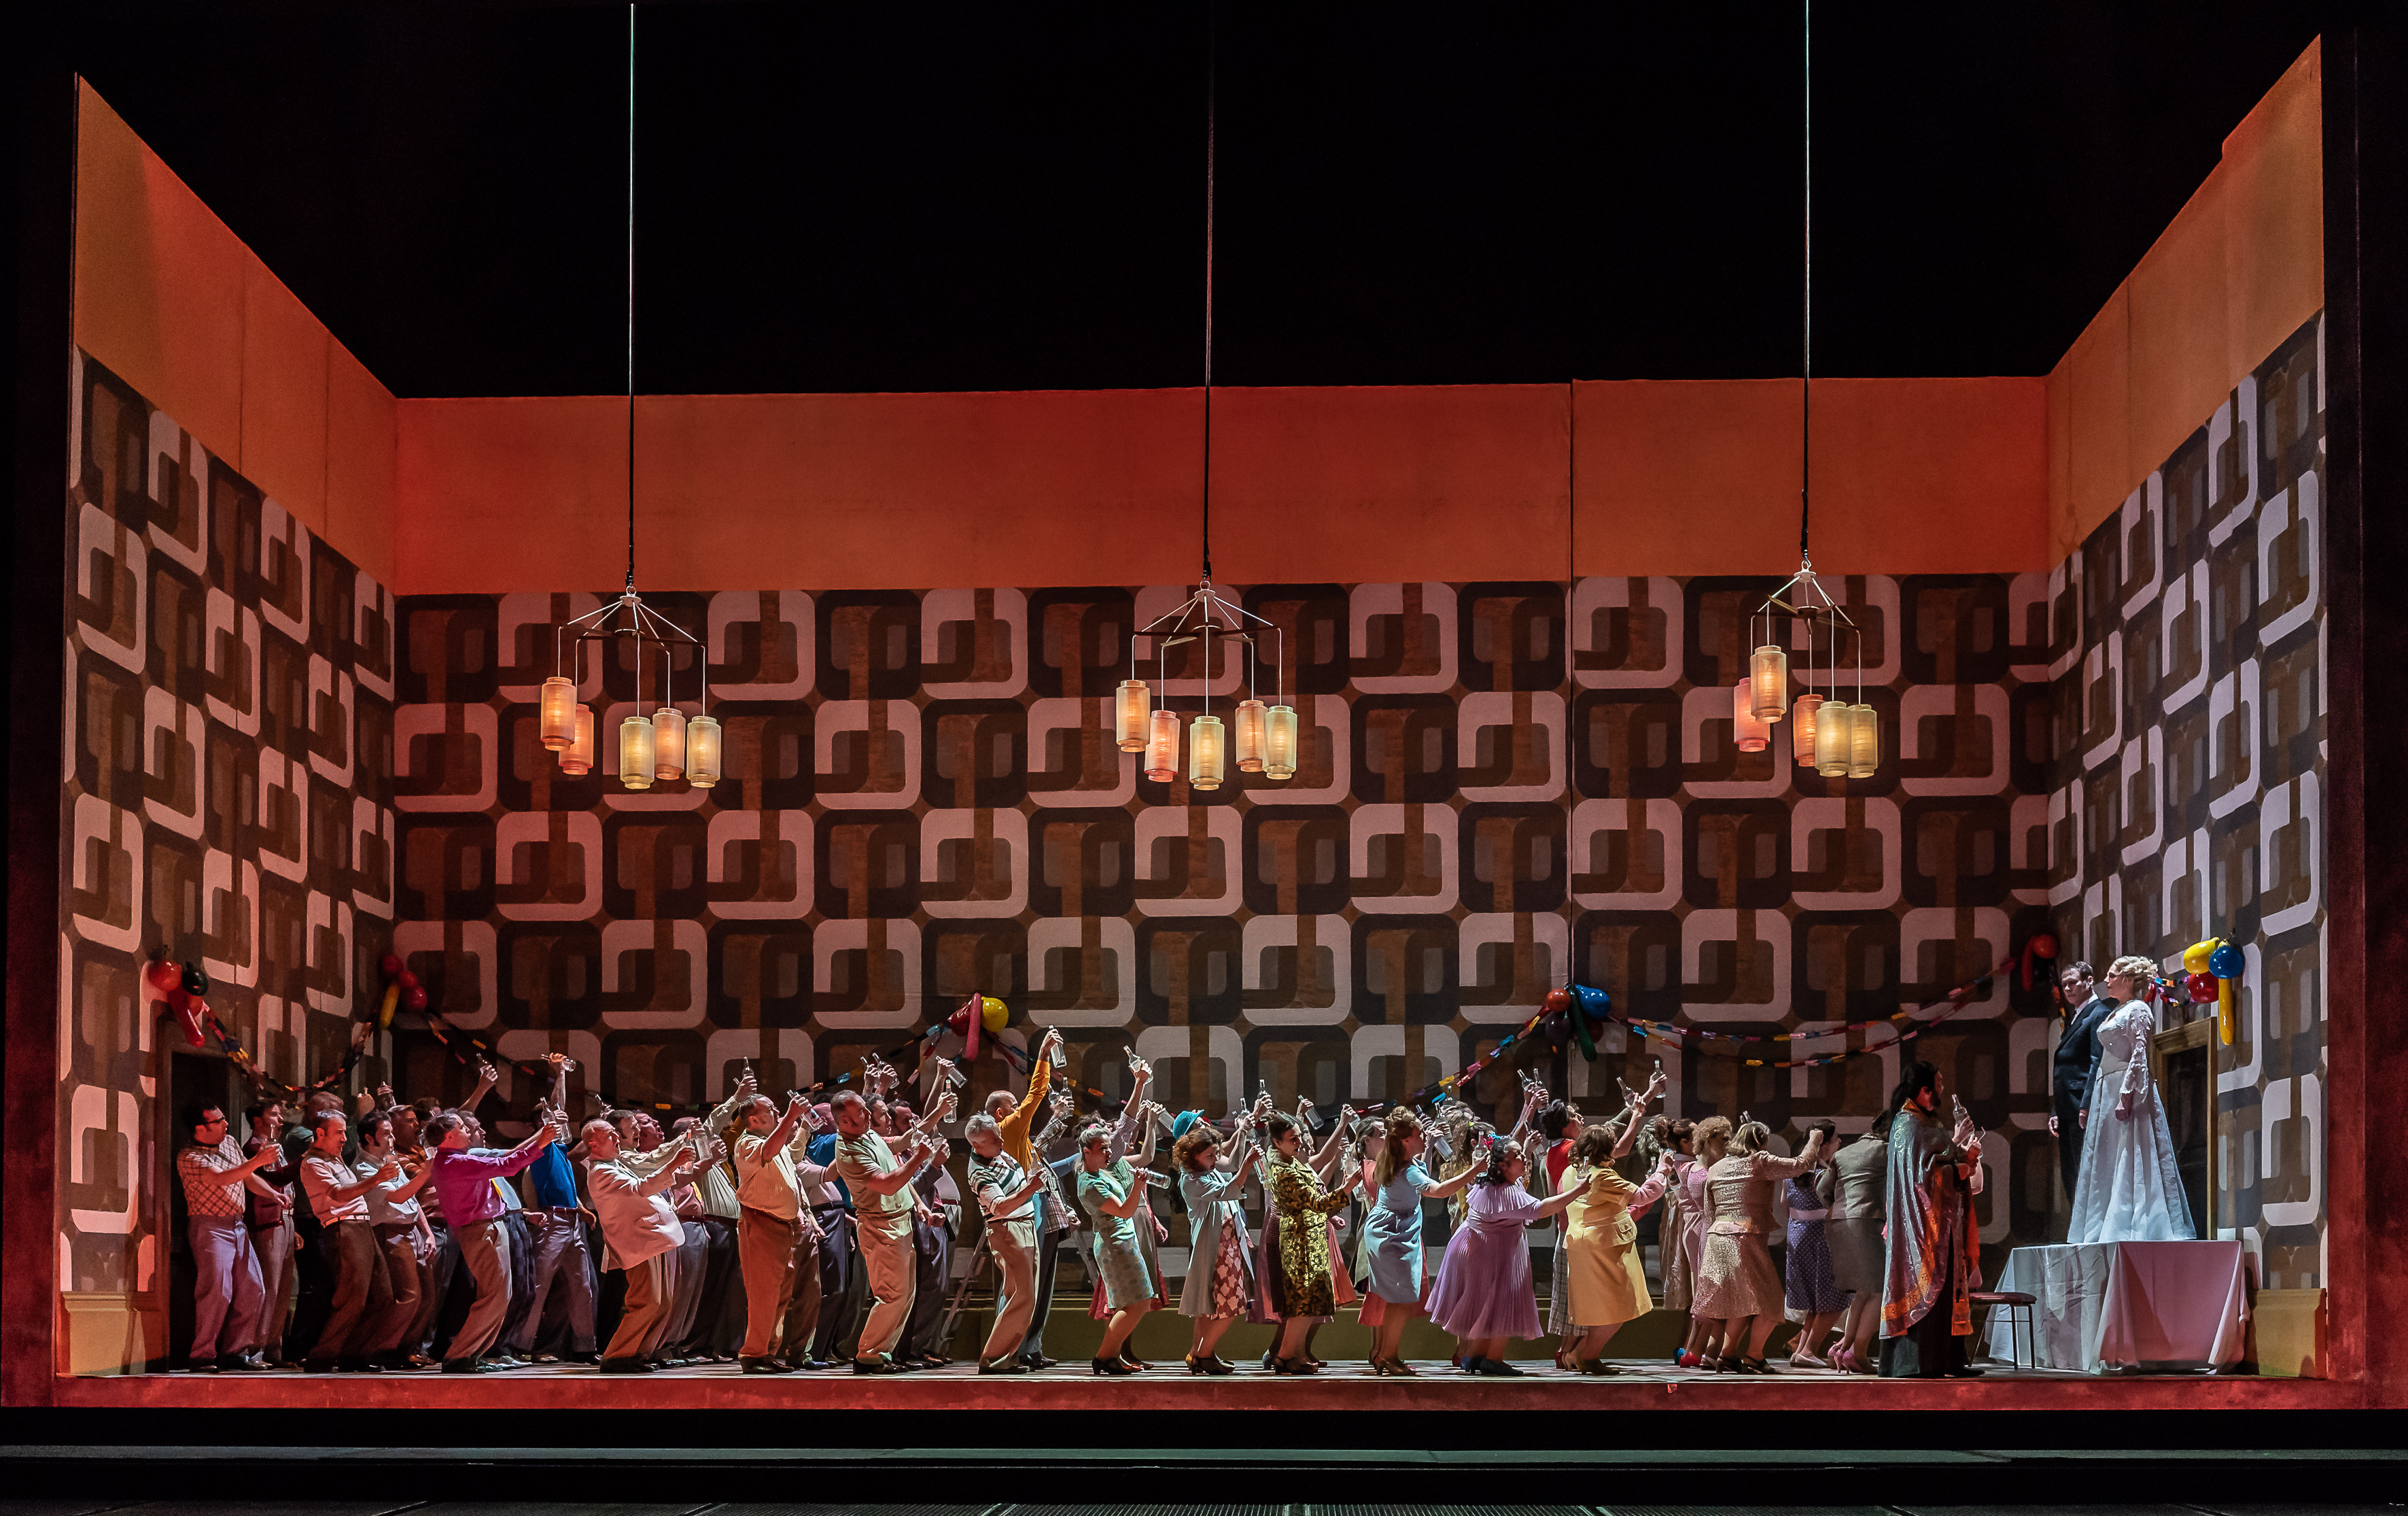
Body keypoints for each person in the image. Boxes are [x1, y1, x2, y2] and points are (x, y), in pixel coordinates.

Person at [1423, 1133, 1580, 1375]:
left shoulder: (1496, 1181)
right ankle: (1492, 1358)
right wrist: (1578, 1191)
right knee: (1503, 1302)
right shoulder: (1503, 1191)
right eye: (1516, 1155)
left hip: (1482, 1247)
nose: (1522, 1158)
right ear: (1502, 1166)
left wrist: (1525, 1148)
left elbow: (1522, 1189)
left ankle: (1475, 1356)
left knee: (1491, 1304)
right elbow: (1540, 1209)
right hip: (1487, 1251)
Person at [2066, 957, 2195, 1245]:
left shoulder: (2138, 1009)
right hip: (2106, 1085)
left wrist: (2127, 1094)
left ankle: (2134, 1222)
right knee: (2108, 1153)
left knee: (2132, 1149)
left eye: (2112, 976)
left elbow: (2139, 1055)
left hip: (2125, 1085)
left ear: (2127, 980)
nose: (2107, 981)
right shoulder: (2117, 1010)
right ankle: (2104, 1222)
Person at [423, 1107, 561, 1373]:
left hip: (487, 1227)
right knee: (495, 1296)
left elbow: (506, 1161)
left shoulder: (456, 1160)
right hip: (481, 1230)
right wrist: (540, 1142)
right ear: (450, 1137)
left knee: (500, 1295)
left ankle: (474, 1353)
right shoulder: (456, 1163)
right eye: (463, 1128)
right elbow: (506, 1166)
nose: (467, 1131)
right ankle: (460, 1355)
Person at [828, 1087, 953, 1373]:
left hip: (899, 1223)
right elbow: (886, 1183)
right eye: (861, 1112)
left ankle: (881, 1353)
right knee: (891, 1295)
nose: (869, 1115)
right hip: (880, 1227)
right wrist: (919, 1158)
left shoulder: (868, 1135)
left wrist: (918, 1207)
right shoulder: (848, 1151)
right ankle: (868, 1355)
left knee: (904, 1295)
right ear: (844, 1121)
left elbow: (898, 1145)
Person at [1689, 1118, 1825, 1375]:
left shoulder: (1717, 1168)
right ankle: (1754, 1356)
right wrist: (1814, 1140)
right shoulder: (1759, 1161)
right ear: (1761, 1142)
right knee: (1771, 1302)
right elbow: (1801, 1165)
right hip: (1745, 1239)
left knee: (1739, 1302)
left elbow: (1710, 1213)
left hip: (1718, 1239)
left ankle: (1728, 1355)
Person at [1879, 1059, 1983, 1379]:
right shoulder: (1908, 1124)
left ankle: (1949, 1360)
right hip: (1921, 1228)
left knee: (1950, 1287)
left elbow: (1941, 1159)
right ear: (1924, 1091)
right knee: (1928, 1288)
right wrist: (1960, 1170)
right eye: (1937, 1085)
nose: (1942, 1090)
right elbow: (1922, 1179)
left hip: (1944, 1223)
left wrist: (1964, 1157)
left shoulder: (1929, 1123)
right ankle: (1918, 1362)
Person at [1360, 1107, 1479, 1375]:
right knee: (1401, 1298)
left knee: (1399, 1298)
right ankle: (1388, 1356)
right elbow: (1439, 1190)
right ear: (1405, 1141)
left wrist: (1429, 1147)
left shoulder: (1402, 1162)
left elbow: (1420, 1176)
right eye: (1419, 1134)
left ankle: (1386, 1355)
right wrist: (1476, 1169)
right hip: (1392, 1235)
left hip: (1394, 1232)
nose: (1424, 1136)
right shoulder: (1406, 1170)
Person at [584, 1118, 707, 1373]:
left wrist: (676, 1154)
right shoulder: (601, 1172)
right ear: (593, 1144)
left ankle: (639, 1353)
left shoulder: (615, 1164)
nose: (618, 1139)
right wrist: (674, 1164)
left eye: (617, 1135)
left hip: (650, 1238)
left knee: (663, 1302)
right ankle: (617, 1355)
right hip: (636, 1242)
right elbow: (640, 1189)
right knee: (646, 1300)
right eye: (611, 1136)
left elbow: (650, 1166)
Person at [296, 1109, 411, 1373]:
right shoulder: (313, 1163)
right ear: (320, 1134)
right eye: (339, 1132)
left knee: (383, 1296)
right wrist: (377, 1179)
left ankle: (354, 1353)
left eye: (345, 1131)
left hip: (362, 1226)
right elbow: (337, 1194)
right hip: (342, 1229)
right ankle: (322, 1356)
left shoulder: (335, 1160)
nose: (345, 1138)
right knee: (352, 1298)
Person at [981, 1027, 1070, 1368]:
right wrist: (1044, 1055)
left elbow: (1038, 1151)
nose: (1021, 1110)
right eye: (1013, 1107)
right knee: (1021, 1288)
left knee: (1038, 1287)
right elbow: (1036, 1095)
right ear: (1001, 1114)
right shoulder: (1005, 1130)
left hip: (1037, 1209)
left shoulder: (1016, 1139)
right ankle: (1008, 1350)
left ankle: (1028, 1347)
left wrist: (1060, 1119)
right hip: (1021, 1213)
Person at [732, 1082, 833, 1373]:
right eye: (771, 1110)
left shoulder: (775, 1145)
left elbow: (790, 1155)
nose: (777, 1112)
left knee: (780, 1296)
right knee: (765, 1295)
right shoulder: (747, 1142)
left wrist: (801, 1126)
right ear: (754, 1119)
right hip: (761, 1223)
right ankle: (753, 1354)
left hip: (785, 1227)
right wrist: (790, 1117)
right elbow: (770, 1149)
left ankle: (767, 1353)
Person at [1558, 1126, 1676, 1374]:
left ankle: (1579, 1354)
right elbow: (1644, 1195)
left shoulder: (1570, 1172)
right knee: (1620, 1305)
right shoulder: (1602, 1176)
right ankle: (1587, 1356)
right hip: (1603, 1249)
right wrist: (1662, 1170)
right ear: (1606, 1149)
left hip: (1580, 1245)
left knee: (1599, 1307)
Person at [174, 1104, 283, 1373]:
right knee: (217, 1292)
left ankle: (237, 1351)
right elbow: (222, 1178)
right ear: (201, 1128)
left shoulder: (230, 1143)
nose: (226, 1124)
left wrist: (272, 1193)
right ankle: (202, 1355)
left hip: (237, 1225)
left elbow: (246, 1177)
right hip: (210, 1228)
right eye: (219, 1121)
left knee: (254, 1288)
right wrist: (258, 1160)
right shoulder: (189, 1157)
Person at [510, 1058, 600, 1365]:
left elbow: (566, 1184)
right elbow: (555, 1106)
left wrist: (581, 1209)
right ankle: (521, 1346)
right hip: (552, 1221)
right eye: (556, 1122)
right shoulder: (543, 1147)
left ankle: (585, 1347)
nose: (563, 1124)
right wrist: (560, 1074)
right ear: (544, 1127)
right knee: (539, 1285)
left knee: (583, 1285)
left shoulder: (559, 1151)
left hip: (571, 1220)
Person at [1259, 1109, 1363, 1374]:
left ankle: (1295, 1353)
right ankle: (1284, 1356)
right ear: (1277, 1143)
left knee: (1309, 1300)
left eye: (1299, 1138)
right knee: (1302, 1302)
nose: (1300, 1143)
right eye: (1293, 1139)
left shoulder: (1289, 1160)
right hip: (1299, 1241)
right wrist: (1348, 1186)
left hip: (1311, 1237)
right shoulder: (1283, 1170)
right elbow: (1317, 1203)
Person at [1171, 1105, 1266, 1374]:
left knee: (1207, 1306)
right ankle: (1203, 1354)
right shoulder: (1192, 1179)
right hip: (1216, 1248)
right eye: (1211, 1154)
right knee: (1231, 1304)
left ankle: (1198, 1353)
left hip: (1228, 1242)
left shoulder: (1207, 1167)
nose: (1204, 1122)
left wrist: (1243, 1130)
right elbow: (1230, 1188)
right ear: (1193, 1150)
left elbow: (1229, 1167)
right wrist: (1247, 1163)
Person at [354, 1109, 438, 1369]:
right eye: (386, 1134)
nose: (392, 1139)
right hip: (391, 1231)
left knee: (427, 1296)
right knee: (408, 1295)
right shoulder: (365, 1168)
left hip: (411, 1228)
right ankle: (379, 1349)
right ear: (370, 1138)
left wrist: (428, 1232)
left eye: (392, 1133)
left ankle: (405, 1349)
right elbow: (398, 1197)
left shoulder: (392, 1163)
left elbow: (412, 1201)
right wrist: (426, 1173)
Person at [965, 1111, 1046, 1373]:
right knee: (1024, 1295)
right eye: (995, 1140)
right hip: (1008, 1229)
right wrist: (1031, 1189)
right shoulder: (979, 1173)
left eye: (999, 1137)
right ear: (977, 1145)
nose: (1001, 1143)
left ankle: (1005, 1357)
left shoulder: (997, 1154)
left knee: (1019, 1295)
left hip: (1023, 1226)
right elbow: (1000, 1208)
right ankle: (993, 1358)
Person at [1074, 1122, 1157, 1375]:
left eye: (1109, 1147)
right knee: (1137, 1302)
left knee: (1135, 1302)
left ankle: (1110, 1356)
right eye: (1102, 1148)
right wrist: (1138, 1187)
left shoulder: (1101, 1174)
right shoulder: (1090, 1183)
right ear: (1087, 1152)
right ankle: (1104, 1356)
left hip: (1123, 1241)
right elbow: (1124, 1210)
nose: (1109, 1153)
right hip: (1115, 1244)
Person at [1781, 1118, 1849, 1368]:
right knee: (1834, 1298)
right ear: (1824, 1146)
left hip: (1797, 1235)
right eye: (1836, 1139)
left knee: (1814, 1299)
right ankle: (1808, 1349)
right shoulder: (1827, 1173)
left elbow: (1784, 1205)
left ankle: (1801, 1351)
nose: (1840, 1142)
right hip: (1822, 1236)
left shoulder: (1792, 1170)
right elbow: (1838, 1205)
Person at [241, 1099, 302, 1367]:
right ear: (258, 1121)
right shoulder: (255, 1148)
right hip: (267, 1223)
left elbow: (285, 1189)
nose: (279, 1120)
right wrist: (308, 1156)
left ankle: (274, 1349)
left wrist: (295, 1227)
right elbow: (276, 1181)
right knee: (269, 1286)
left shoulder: (275, 1148)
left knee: (284, 1288)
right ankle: (255, 1348)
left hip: (285, 1221)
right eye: (274, 1115)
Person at [1824, 1122, 1888, 1375]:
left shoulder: (1843, 1153)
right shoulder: (1886, 1149)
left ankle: (1843, 1346)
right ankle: (1857, 1352)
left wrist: (1838, 1208)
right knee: (1879, 1290)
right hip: (1866, 1220)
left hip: (1838, 1221)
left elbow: (1822, 1189)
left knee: (1863, 1291)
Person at [2049, 960, 2114, 1206]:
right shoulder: (2076, 1015)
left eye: (2072, 983)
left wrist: (2086, 1105)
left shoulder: (2098, 1013)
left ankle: (2089, 1226)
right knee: (2070, 1171)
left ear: (2089, 981)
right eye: (2064, 985)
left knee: (2086, 1169)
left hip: (2082, 1107)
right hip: (2068, 1108)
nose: (2067, 989)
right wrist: (2057, 1110)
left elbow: (2096, 1062)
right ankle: (2077, 1227)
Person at [1671, 1116, 1729, 1367]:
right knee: (1709, 1295)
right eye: (1723, 1139)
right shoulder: (1700, 1171)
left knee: (1705, 1294)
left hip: (1701, 1229)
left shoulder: (1695, 1167)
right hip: (1703, 1231)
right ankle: (1701, 1350)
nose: (1729, 1143)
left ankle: (1694, 1350)